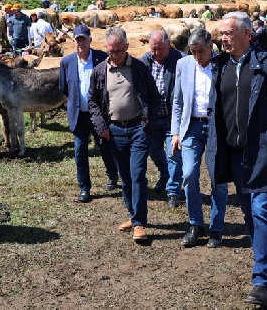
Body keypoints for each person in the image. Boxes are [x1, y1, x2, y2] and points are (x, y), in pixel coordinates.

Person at [207, 12, 267, 306]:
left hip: (262, 152)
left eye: (229, 33)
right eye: (222, 34)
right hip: (234, 154)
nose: (223, 39)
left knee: (260, 211)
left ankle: (262, 281)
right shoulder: (219, 66)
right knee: (248, 212)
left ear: (247, 34)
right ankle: (263, 254)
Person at [88, 27, 160, 242]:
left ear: (127, 47)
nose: (114, 56)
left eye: (118, 51)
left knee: (138, 174)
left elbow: (154, 96)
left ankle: (139, 223)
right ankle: (133, 214)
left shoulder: (138, 68)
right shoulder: (100, 71)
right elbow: (92, 101)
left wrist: (148, 118)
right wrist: (102, 127)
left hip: (138, 128)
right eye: (110, 51)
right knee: (126, 178)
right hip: (115, 131)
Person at [171, 28, 228, 248]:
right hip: (191, 126)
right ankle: (195, 224)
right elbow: (177, 102)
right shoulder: (183, 65)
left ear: (211, 47)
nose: (197, 56)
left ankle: (217, 228)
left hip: (216, 127)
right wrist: (176, 132)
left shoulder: (223, 64)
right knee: (189, 174)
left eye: (201, 51)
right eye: (193, 52)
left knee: (218, 179)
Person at [59, 24, 119, 203]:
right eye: (78, 40)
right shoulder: (67, 62)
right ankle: (84, 188)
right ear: (74, 41)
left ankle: (112, 175)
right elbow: (64, 87)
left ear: (90, 40)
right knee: (80, 151)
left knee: (105, 146)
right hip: (79, 115)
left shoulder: (102, 58)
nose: (81, 43)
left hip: (98, 114)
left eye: (84, 40)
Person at [141, 29, 183, 203]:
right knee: (153, 150)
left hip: (172, 118)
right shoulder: (144, 61)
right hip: (151, 117)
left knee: (174, 154)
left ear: (169, 45)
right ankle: (165, 175)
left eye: (160, 49)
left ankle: (173, 191)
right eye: (153, 49)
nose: (156, 53)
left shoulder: (180, 60)